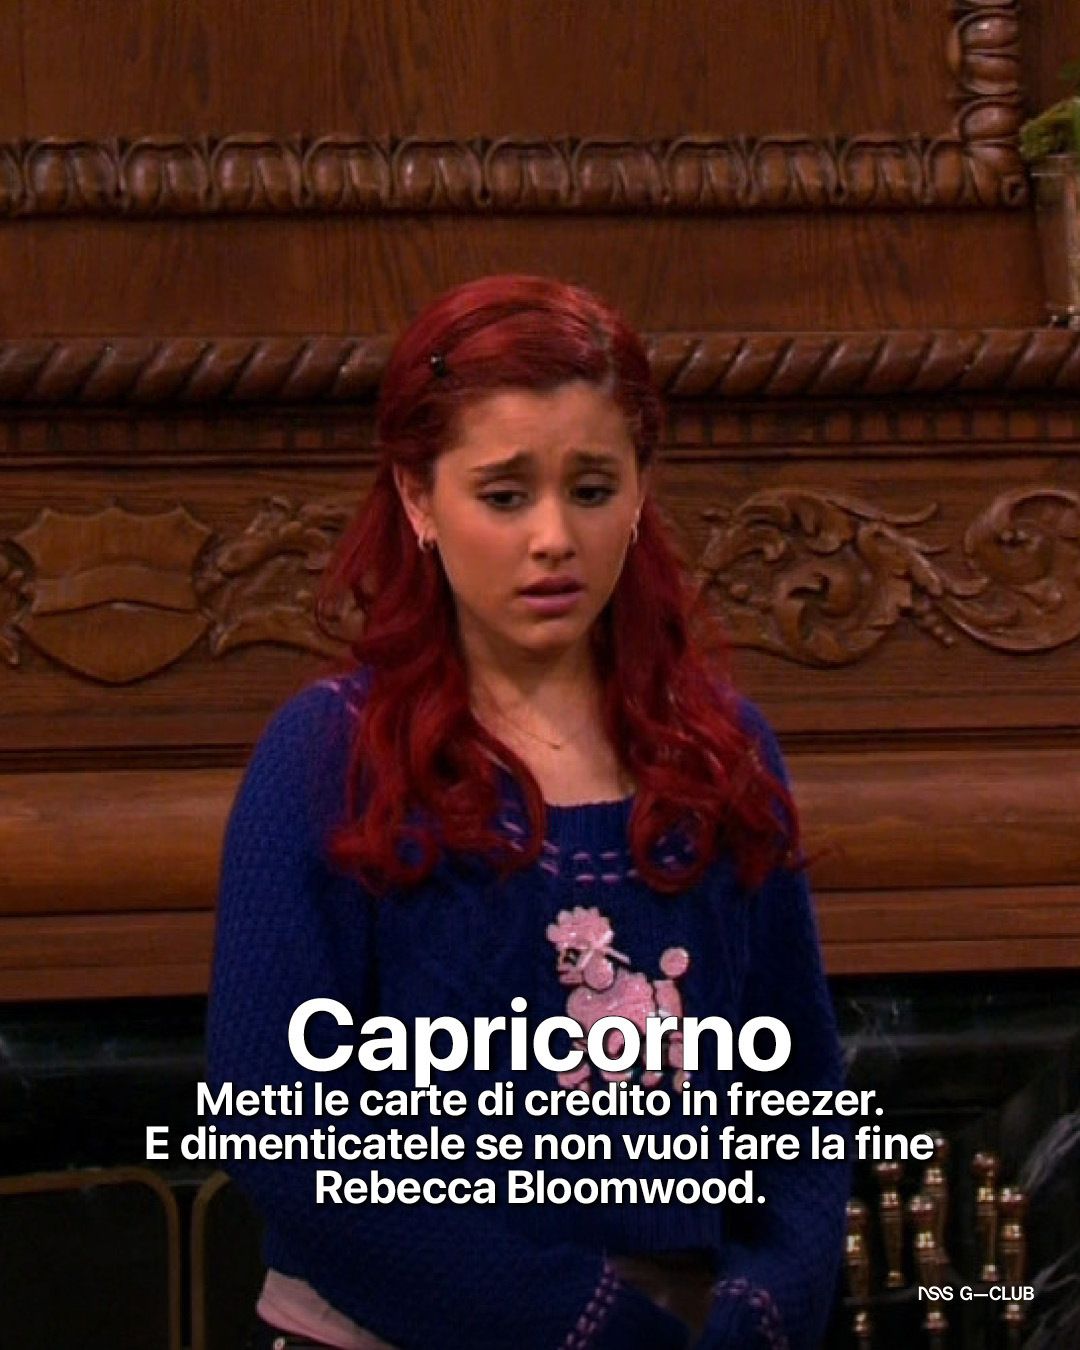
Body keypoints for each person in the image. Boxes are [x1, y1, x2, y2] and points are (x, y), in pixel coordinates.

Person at [207, 273, 850, 1350]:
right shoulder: (325, 756)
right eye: (505, 497)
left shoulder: (722, 752)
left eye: (592, 489)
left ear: (639, 494)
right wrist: (581, 1325)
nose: (554, 536)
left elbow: (800, 1098)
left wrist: (763, 1310)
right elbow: (279, 1129)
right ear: (419, 499)